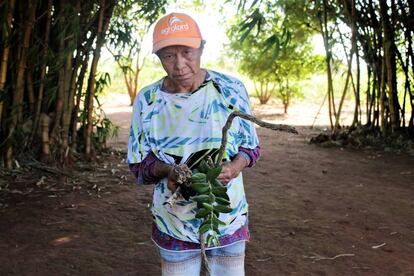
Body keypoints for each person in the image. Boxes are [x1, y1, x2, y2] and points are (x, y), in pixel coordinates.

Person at [127, 12, 260, 276]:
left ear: (202, 48)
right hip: (174, 222)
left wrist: (234, 167)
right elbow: (139, 164)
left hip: (226, 218)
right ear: (158, 58)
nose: (179, 64)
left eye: (187, 52)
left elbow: (250, 147)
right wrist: (168, 171)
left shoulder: (231, 89)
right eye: (168, 55)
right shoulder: (148, 100)